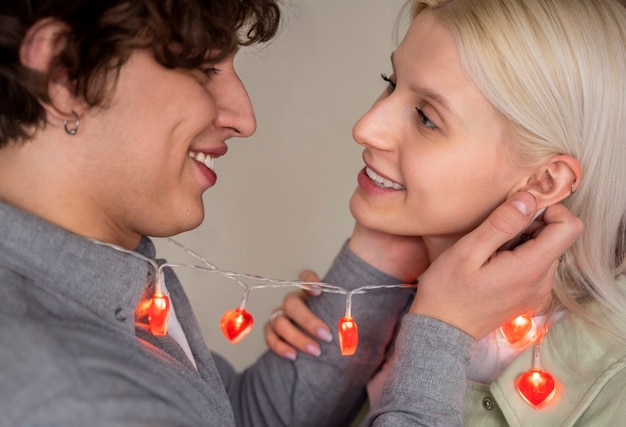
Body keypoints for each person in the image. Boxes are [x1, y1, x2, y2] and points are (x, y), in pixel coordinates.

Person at [0, 0, 582, 426]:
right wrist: (441, 333)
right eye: (205, 71)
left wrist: (375, 259)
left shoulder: (101, 287)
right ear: (64, 75)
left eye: (427, 116)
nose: (242, 116)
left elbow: (236, 421)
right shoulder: (55, 386)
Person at [266, 0, 626, 425]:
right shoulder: (388, 304)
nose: (365, 127)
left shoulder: (612, 390)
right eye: (390, 81)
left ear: (545, 181)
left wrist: (439, 333)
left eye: (426, 118)